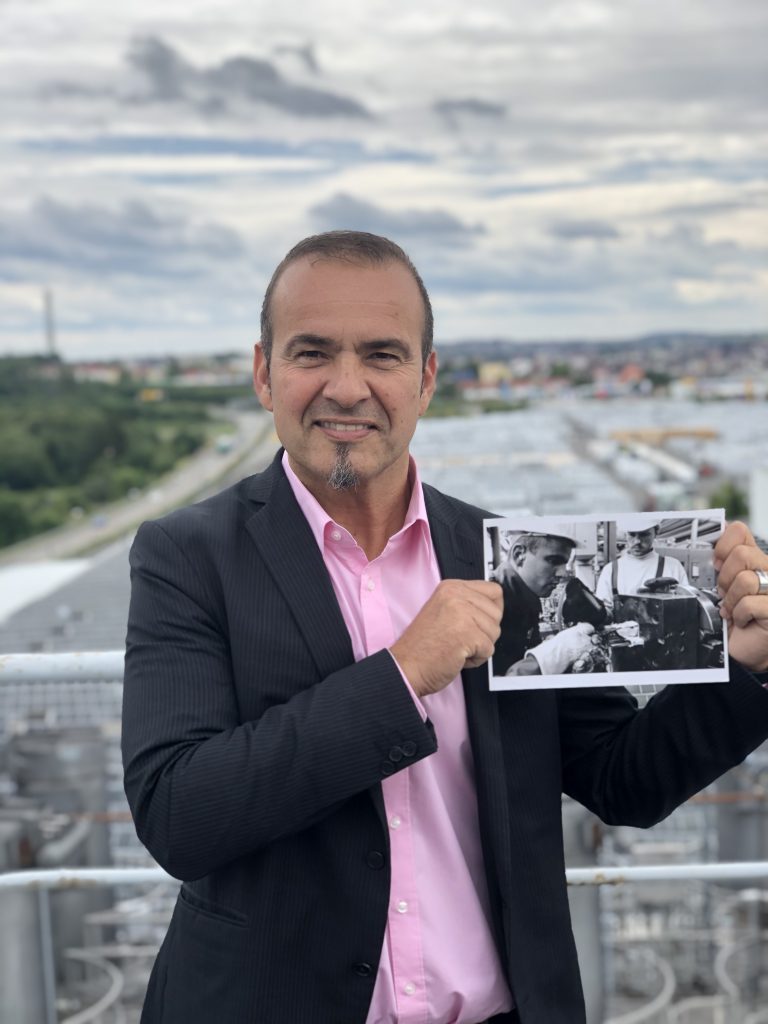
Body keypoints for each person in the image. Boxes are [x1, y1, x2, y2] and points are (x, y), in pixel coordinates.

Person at [122, 230, 768, 1024]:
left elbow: (621, 779)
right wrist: (401, 676)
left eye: (384, 356)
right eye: (312, 353)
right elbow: (178, 813)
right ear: (264, 372)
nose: (348, 387)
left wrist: (747, 665)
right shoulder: (187, 556)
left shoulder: (504, 559)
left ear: (427, 380)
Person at [491, 530, 595, 676]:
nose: (563, 573)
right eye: (554, 561)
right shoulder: (487, 601)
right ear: (519, 555)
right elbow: (486, 687)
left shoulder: (524, 598)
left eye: (565, 564)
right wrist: (551, 656)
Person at [595, 516, 689, 614]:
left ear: (656, 532)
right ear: (626, 534)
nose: (637, 541)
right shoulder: (611, 570)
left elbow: (686, 608)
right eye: (632, 534)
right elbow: (604, 611)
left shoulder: (673, 567)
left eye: (644, 534)